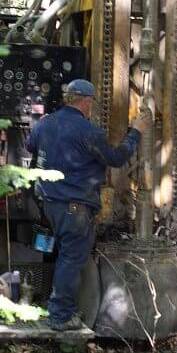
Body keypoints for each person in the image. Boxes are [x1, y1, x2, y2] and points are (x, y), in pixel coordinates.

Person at [27, 78, 148, 331]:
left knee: (61, 256)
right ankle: (60, 316)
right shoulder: (88, 131)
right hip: (75, 206)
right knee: (71, 259)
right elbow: (115, 158)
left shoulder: (45, 123)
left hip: (47, 202)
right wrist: (136, 131)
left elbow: (31, 147)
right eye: (92, 102)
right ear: (87, 101)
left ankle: (55, 306)